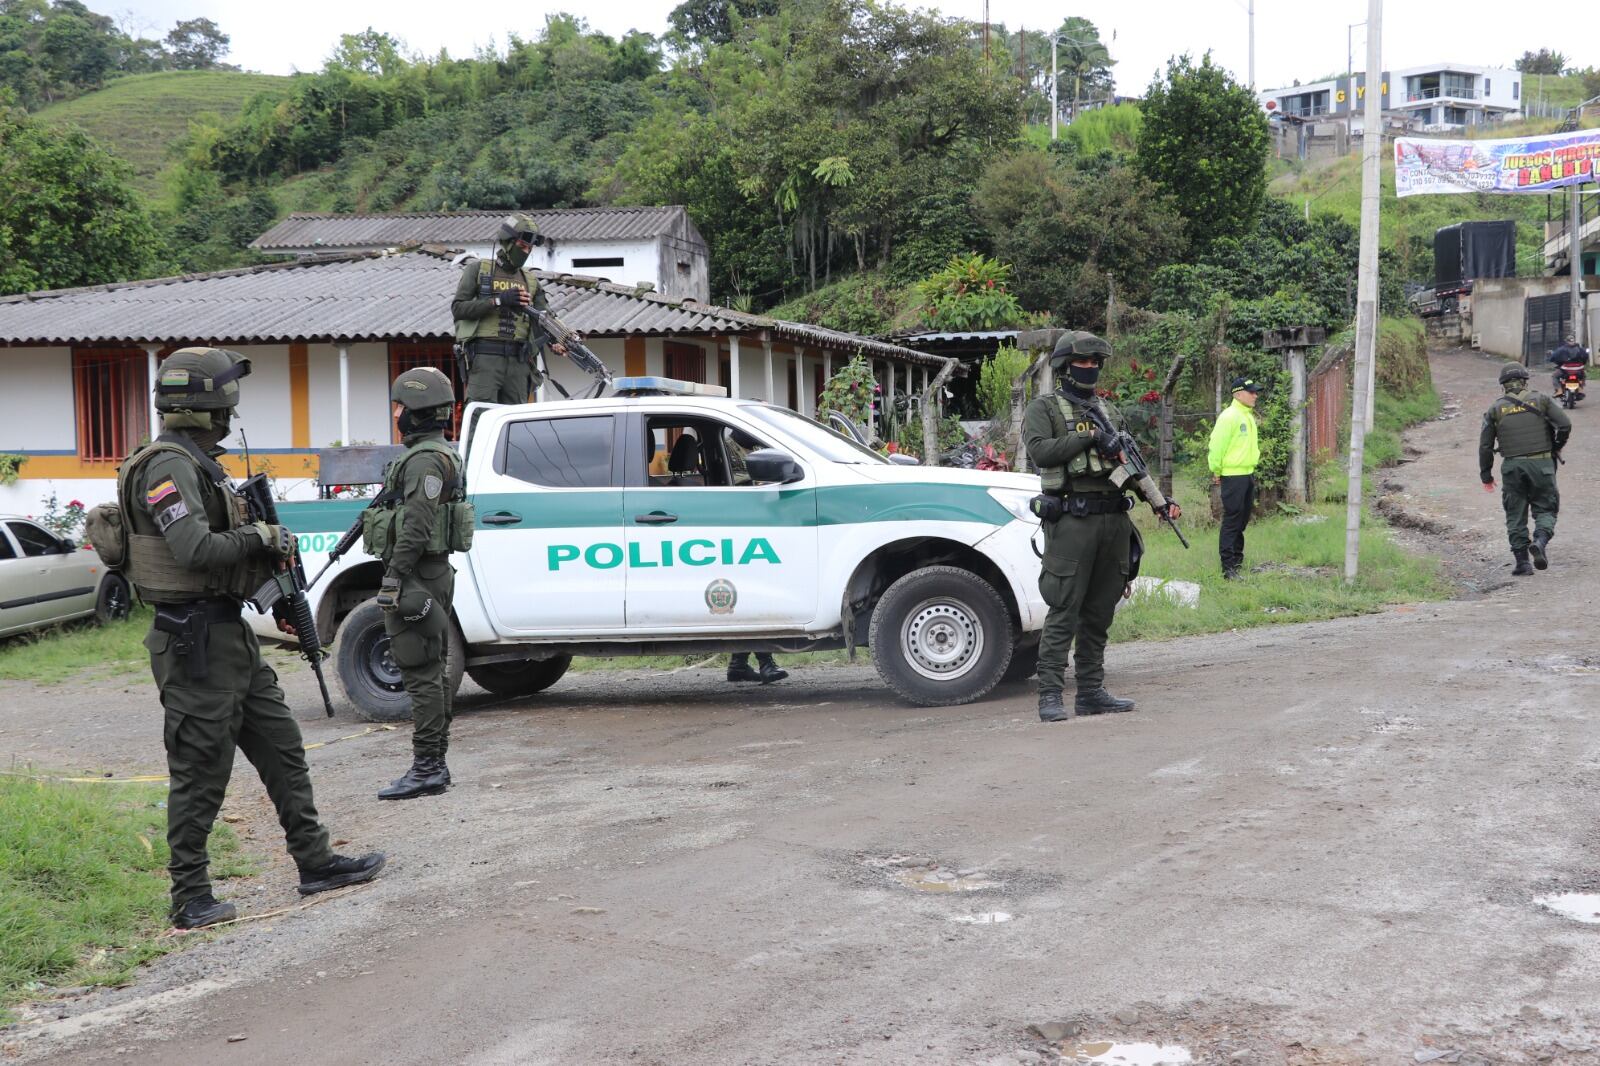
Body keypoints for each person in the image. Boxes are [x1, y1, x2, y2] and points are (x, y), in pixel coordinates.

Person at [121, 347, 384, 929]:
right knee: (200, 773)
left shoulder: (199, 463)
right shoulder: (167, 468)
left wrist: (274, 587)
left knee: (284, 752)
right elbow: (193, 550)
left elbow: (223, 552)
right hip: (193, 646)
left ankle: (316, 863)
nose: (230, 415)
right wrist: (263, 535)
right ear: (206, 405)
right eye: (225, 403)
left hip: (228, 634)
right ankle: (190, 897)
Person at [1023, 331, 1181, 723]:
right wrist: (1090, 437)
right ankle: (1050, 696)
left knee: (1100, 612)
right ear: (1064, 366)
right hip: (1072, 522)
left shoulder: (1108, 410)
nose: (1090, 369)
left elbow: (1131, 466)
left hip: (1113, 520)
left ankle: (1091, 692)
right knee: (1064, 609)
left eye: (1096, 364)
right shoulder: (1044, 408)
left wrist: (1160, 503)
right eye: (1083, 363)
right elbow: (1041, 451)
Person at [370, 367, 473, 800]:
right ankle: (434, 765)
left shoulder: (427, 459)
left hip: (418, 572)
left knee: (421, 671)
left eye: (400, 408)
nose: (396, 414)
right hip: (429, 571)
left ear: (413, 412)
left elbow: (416, 525)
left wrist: (394, 575)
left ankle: (428, 766)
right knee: (430, 666)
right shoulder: (435, 454)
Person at [450, 213, 563, 405]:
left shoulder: (531, 281)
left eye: (529, 248)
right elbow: (459, 308)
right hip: (485, 358)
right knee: (481, 417)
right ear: (508, 242)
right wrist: (499, 301)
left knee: (515, 422)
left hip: (519, 361)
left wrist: (561, 339)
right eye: (521, 246)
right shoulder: (478, 270)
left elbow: (545, 318)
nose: (526, 252)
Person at [1480, 362, 1570, 575]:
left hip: (1513, 466)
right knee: (1546, 508)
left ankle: (1522, 563)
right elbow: (1564, 425)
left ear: (1503, 385)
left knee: (1515, 513)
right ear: (1525, 381)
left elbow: (1485, 446)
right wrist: (1555, 446)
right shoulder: (1541, 400)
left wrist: (1486, 475)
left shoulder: (1495, 409)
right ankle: (1539, 541)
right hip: (1542, 464)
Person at [1208, 376, 1263, 579]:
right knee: (1232, 520)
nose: (1255, 395)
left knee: (1242, 520)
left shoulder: (1247, 416)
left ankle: (1238, 563)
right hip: (1232, 476)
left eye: (1256, 392)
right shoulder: (1229, 416)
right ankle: (1228, 568)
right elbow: (1216, 445)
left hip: (1247, 473)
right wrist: (1216, 469)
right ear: (1239, 394)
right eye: (1252, 392)